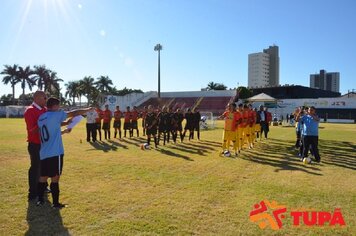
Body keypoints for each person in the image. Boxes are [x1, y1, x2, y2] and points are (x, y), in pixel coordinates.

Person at [36, 97, 94, 208]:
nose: (60, 108)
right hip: (55, 153)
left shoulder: (41, 117)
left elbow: (50, 132)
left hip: (44, 152)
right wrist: (88, 109)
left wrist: (64, 131)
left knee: (43, 177)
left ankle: (40, 200)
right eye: (59, 106)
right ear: (55, 106)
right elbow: (74, 112)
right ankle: (56, 203)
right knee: (55, 177)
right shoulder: (56, 115)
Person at [24, 91, 48, 201]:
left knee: (44, 167)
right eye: (45, 98)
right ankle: (32, 193)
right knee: (35, 168)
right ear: (38, 98)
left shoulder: (45, 109)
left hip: (45, 144)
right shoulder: (30, 111)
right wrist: (43, 123)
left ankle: (43, 187)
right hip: (35, 144)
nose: (46, 100)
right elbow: (32, 131)